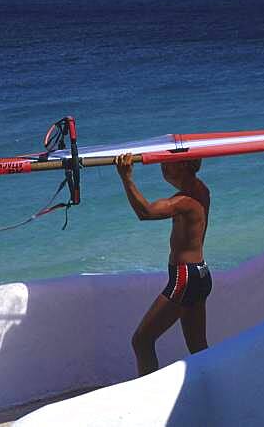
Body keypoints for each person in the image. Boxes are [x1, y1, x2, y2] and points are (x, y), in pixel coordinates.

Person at [115, 153, 212, 375]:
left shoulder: (185, 202)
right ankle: (212, 391)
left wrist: (126, 178)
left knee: (141, 341)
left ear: (185, 165)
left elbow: (145, 212)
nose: (162, 168)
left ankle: (148, 398)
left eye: (167, 163)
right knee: (198, 347)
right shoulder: (202, 191)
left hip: (185, 278)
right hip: (200, 274)